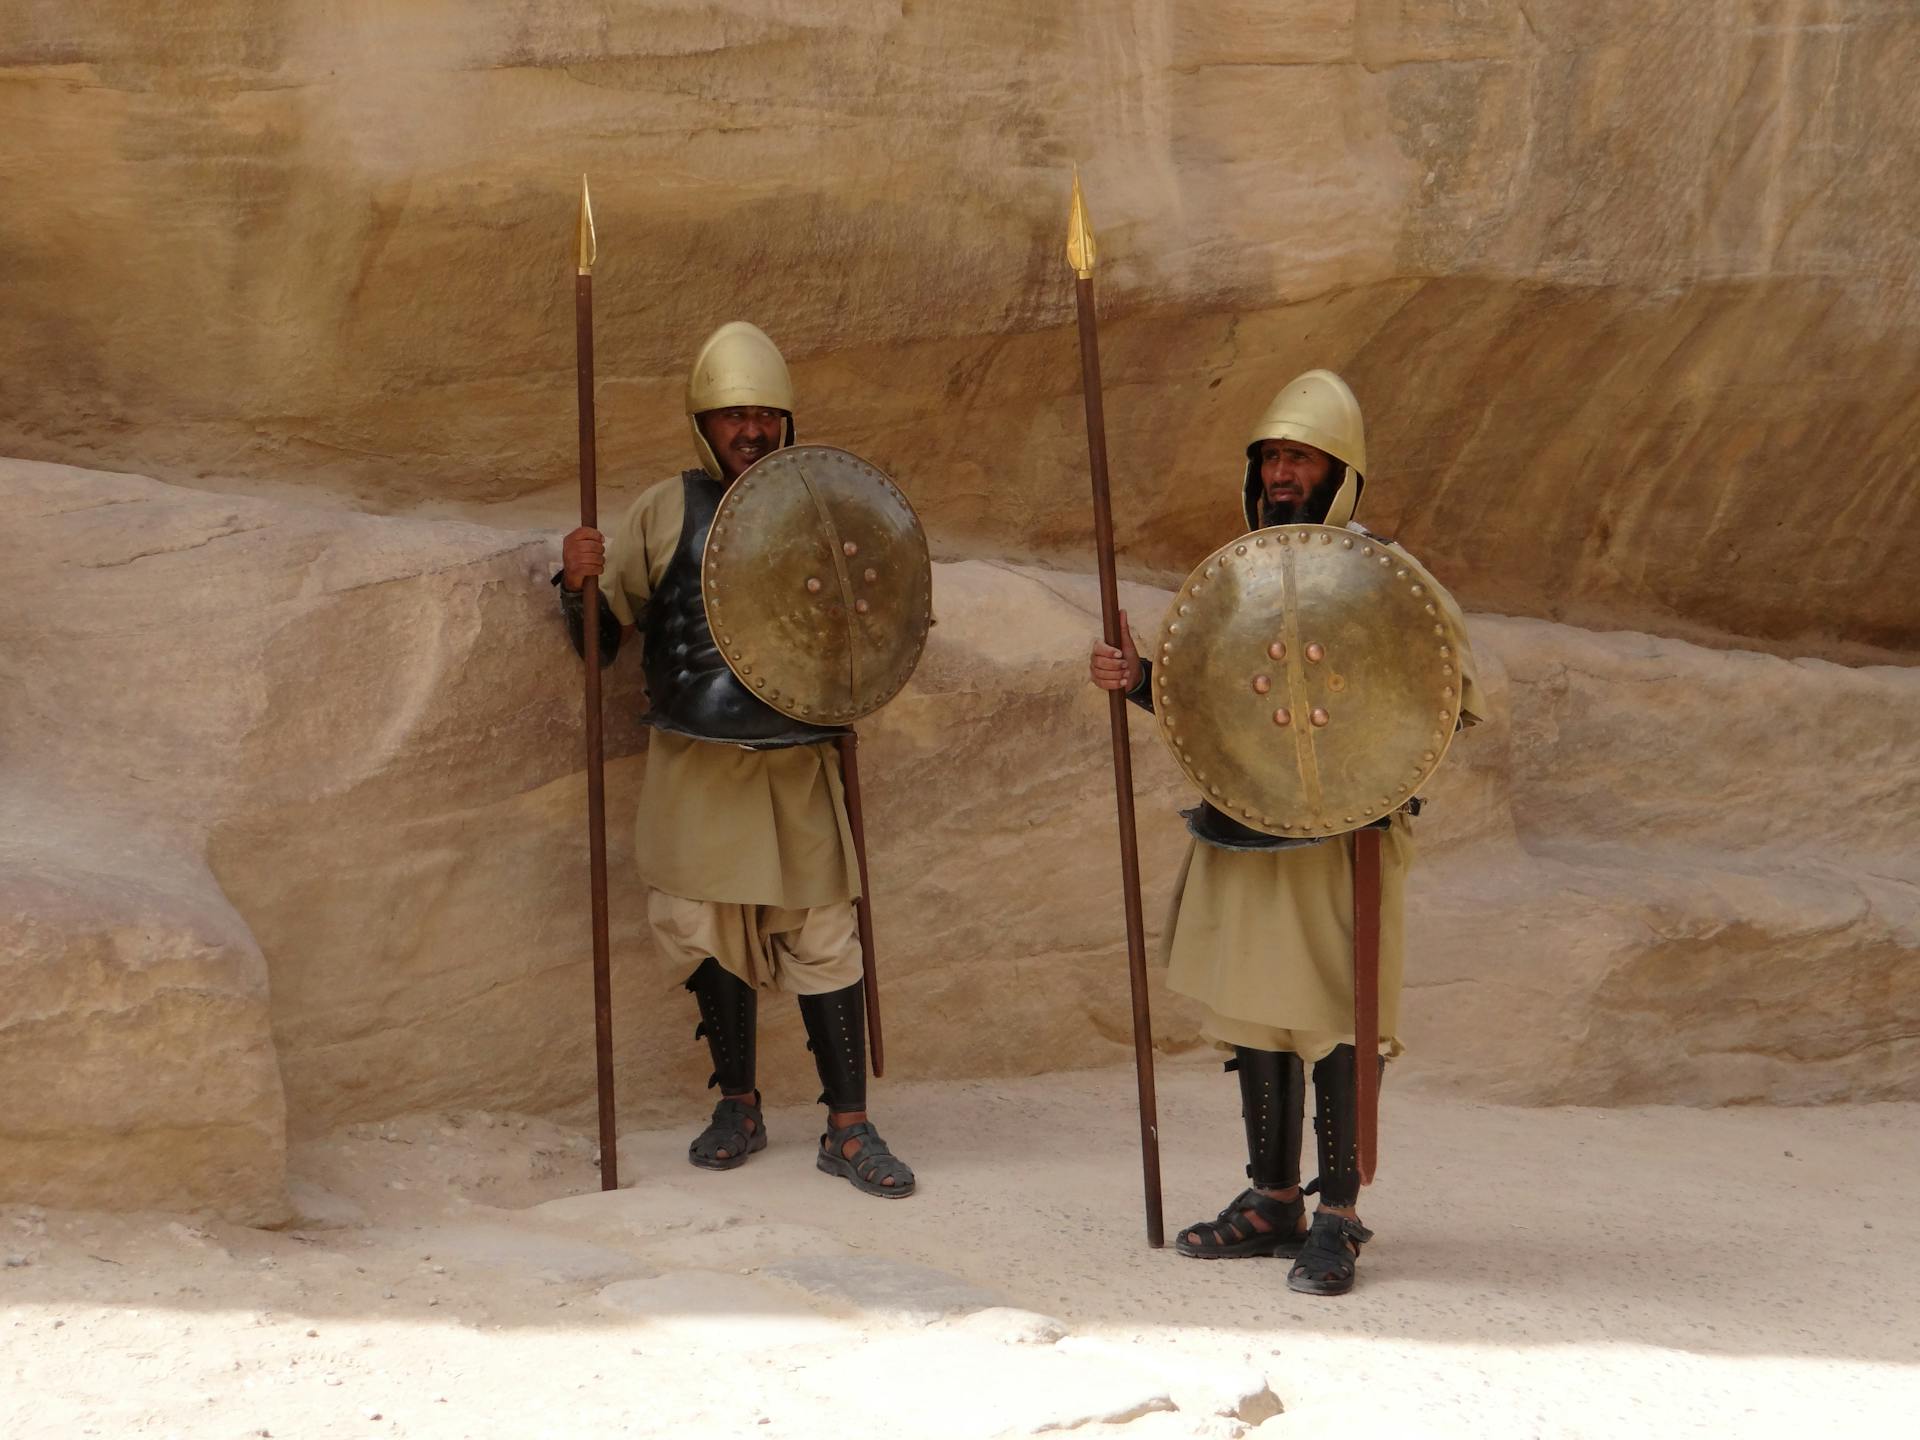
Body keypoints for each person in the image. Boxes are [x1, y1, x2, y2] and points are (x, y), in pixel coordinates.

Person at [1088, 369, 1481, 1292]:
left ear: (1337, 469)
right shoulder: (1237, 579)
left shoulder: (1389, 576)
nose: (1279, 472)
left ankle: (1338, 1212)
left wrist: (1372, 764)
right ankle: (1272, 1198)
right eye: (1269, 457)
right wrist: (1138, 679)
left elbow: (1446, 700)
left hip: (1344, 840)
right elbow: (1212, 705)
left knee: (1338, 1021)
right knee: (1256, 1012)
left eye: (1297, 457)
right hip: (1242, 828)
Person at [557, 321, 913, 1198]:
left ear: (786, 422)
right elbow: (603, 643)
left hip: (797, 759)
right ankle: (739, 1106)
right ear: (701, 424)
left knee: (826, 935)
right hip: (696, 762)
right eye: (732, 415)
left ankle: (848, 1126)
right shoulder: (663, 511)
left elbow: (877, 622)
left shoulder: (823, 502)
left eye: (764, 414)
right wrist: (576, 583)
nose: (750, 430)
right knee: (701, 931)